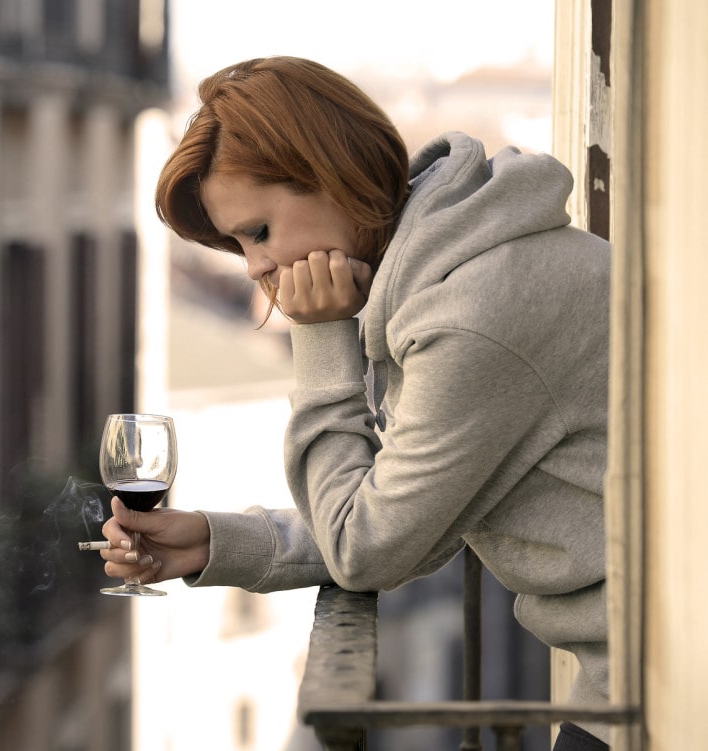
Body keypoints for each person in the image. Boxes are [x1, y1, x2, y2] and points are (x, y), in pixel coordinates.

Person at [100, 56, 612, 750]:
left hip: (650, 673)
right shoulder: (455, 266)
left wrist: (318, 338)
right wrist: (214, 542)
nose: (253, 267)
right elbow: (400, 511)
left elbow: (365, 549)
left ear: (331, 177)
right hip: (625, 669)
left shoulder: (471, 313)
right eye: (236, 245)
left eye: (258, 232)